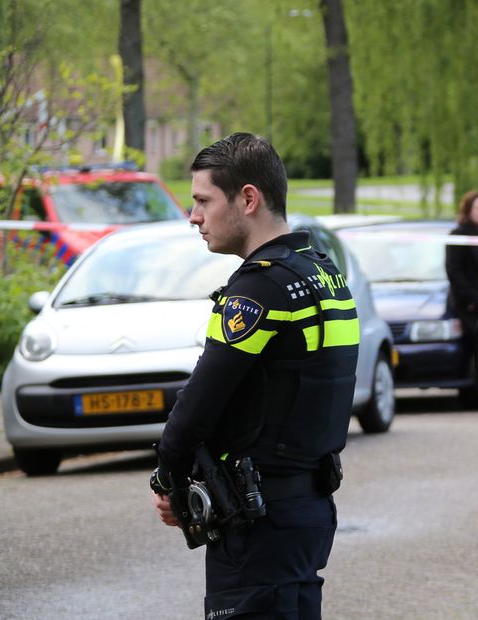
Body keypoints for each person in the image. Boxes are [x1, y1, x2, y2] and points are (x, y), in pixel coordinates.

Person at [150, 132, 359, 619]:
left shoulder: (259, 287)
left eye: (203, 201)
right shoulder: (324, 273)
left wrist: (168, 479)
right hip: (306, 508)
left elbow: (200, 400)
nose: (193, 216)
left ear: (248, 198)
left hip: (259, 520)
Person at [444, 190, 478, 366]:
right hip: (470, 308)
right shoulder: (459, 235)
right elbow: (454, 271)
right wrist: (473, 300)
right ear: (468, 211)